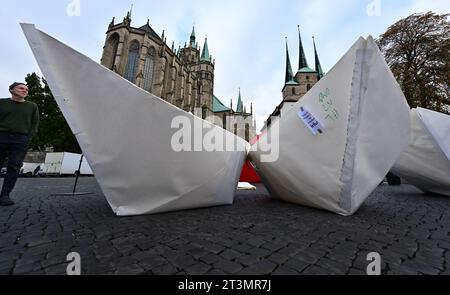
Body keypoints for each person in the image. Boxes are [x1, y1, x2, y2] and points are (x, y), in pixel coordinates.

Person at [0, 82, 39, 206]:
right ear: (12, 90)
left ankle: (5, 195)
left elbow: (34, 123)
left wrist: (28, 137)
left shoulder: (32, 106)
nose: (25, 90)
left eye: (27, 89)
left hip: (20, 139)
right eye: (21, 88)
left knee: (14, 166)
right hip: (1, 136)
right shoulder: (2, 103)